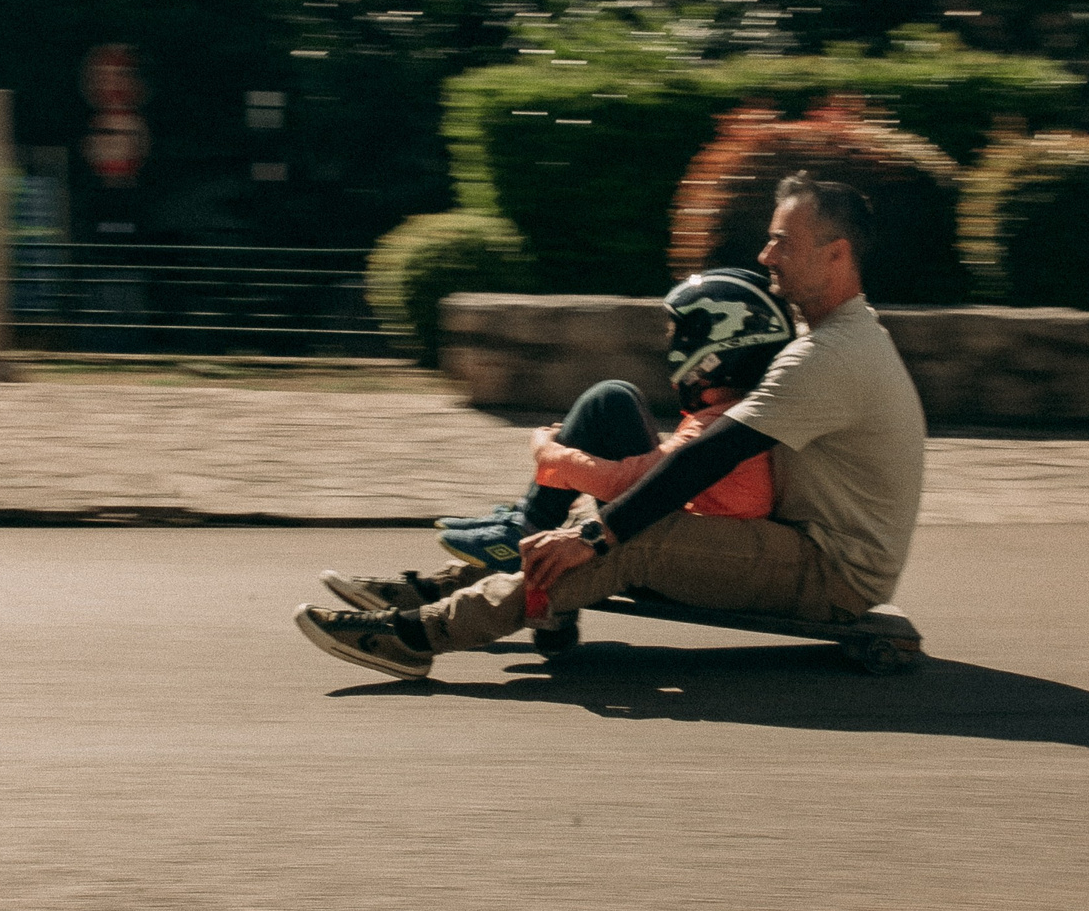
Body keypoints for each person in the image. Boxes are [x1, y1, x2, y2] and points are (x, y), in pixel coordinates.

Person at [296, 171, 927, 680]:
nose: (765, 256)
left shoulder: (833, 357)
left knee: (629, 538)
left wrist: (596, 538)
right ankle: (437, 590)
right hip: (801, 540)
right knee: (603, 519)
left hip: (834, 572)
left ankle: (420, 634)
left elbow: (710, 456)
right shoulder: (834, 341)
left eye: (783, 242)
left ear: (835, 253)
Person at [315, 266, 792, 614]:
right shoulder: (726, 415)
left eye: (681, 334)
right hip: (670, 521)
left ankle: (516, 536)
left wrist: (551, 455)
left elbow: (630, 482)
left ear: (719, 347)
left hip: (674, 547)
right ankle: (460, 573)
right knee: (615, 402)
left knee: (608, 407)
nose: (672, 347)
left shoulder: (722, 427)